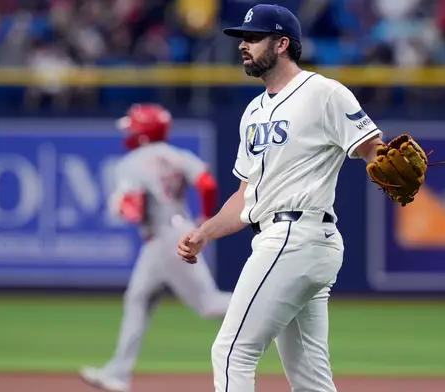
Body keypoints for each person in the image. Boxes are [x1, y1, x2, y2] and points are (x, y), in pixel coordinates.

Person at [176, 3, 387, 392]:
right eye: (243, 38)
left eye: (254, 38)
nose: (244, 45)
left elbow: (373, 148)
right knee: (310, 381)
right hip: (293, 240)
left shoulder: (322, 92)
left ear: (282, 44)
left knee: (231, 352)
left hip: (296, 237)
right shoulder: (253, 111)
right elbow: (245, 197)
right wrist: (204, 233)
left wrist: (383, 157)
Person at [80, 103, 233, 392]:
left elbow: (134, 208)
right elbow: (207, 183)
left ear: (143, 131)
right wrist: (203, 217)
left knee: (208, 304)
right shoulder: (177, 155)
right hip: (178, 229)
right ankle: (118, 373)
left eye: (134, 126)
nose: (129, 131)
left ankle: (269, 305)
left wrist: (120, 207)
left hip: (165, 238)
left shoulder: (132, 162)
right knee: (137, 298)